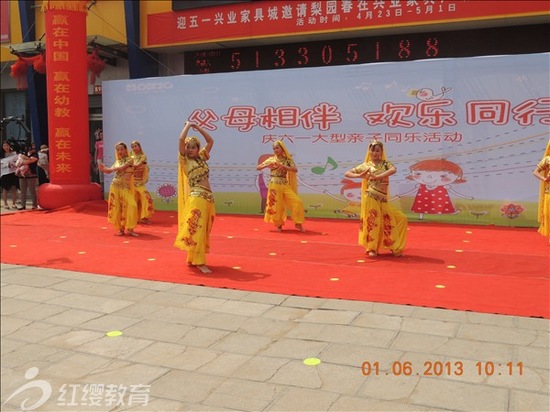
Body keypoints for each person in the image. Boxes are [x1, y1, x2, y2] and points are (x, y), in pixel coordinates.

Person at [344, 139, 407, 257]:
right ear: (369, 152)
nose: (375, 153)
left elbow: (393, 170)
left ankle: (395, 246)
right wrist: (359, 175)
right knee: (374, 221)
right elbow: (347, 173)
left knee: (399, 218)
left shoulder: (386, 164)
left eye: (377, 151)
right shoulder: (366, 165)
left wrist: (378, 176)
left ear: (381, 151)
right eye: (372, 151)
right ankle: (371, 248)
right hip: (371, 197)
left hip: (383, 199)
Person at [174, 121, 215, 274]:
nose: (190, 149)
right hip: (197, 197)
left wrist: (198, 128)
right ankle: (199, 261)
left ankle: (192, 257)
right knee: (197, 227)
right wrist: (188, 125)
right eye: (188, 147)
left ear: (198, 149)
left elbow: (210, 141)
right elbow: (180, 140)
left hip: (208, 197)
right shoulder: (185, 161)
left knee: (203, 229)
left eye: (193, 147)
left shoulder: (202, 158)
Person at [256, 140, 305, 232]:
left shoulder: (288, 160)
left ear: (282, 149)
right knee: (276, 205)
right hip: (274, 185)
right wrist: (267, 165)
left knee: (297, 201)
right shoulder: (271, 159)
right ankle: (279, 225)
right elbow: (258, 167)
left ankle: (298, 223)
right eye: (274, 148)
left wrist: (285, 167)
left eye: (277, 148)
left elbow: (295, 169)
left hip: (284, 184)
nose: (275, 150)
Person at [99, 142, 139, 237]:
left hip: (125, 188)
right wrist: (102, 168)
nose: (120, 151)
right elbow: (108, 172)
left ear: (126, 150)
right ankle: (121, 229)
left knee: (132, 205)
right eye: (118, 150)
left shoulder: (130, 159)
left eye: (121, 149)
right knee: (117, 208)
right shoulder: (117, 162)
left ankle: (130, 228)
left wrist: (109, 169)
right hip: (115, 186)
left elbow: (122, 168)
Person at [130, 140, 154, 224]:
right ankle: (135, 218)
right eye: (132, 147)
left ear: (139, 147)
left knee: (146, 199)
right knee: (134, 201)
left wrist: (131, 166)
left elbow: (138, 165)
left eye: (136, 146)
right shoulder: (131, 158)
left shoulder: (143, 157)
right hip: (132, 183)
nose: (134, 148)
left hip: (140, 183)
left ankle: (145, 217)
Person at [533, 139, 550, 239]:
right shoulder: (547, 159)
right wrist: (544, 179)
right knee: (549, 215)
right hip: (549, 193)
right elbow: (535, 172)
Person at [17, 145, 39, 210]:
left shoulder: (35, 155)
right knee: (22, 191)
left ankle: (34, 205)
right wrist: (23, 158)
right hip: (22, 174)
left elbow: (30, 161)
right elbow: (18, 163)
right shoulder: (23, 154)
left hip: (32, 174)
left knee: (32, 190)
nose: (32, 149)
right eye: (31, 148)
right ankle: (22, 205)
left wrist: (24, 158)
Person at [1, 141, 19, 209]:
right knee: (5, 189)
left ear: (9, 146)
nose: (6, 147)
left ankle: (14, 203)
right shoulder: (2, 155)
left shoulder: (14, 153)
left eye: (7, 145)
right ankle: (5, 203)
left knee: (14, 188)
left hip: (13, 172)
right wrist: (7, 165)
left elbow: (17, 161)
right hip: (5, 173)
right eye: (4, 146)